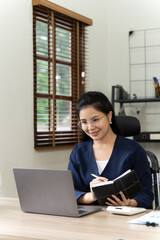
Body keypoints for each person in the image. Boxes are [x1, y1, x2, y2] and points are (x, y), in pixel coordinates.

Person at [68, 91, 154, 208]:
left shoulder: (133, 150)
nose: (90, 127)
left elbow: (147, 193)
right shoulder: (78, 152)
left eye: (95, 119)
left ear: (109, 116)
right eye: (84, 122)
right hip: (90, 219)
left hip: (126, 218)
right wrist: (92, 196)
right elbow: (71, 191)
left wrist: (129, 203)